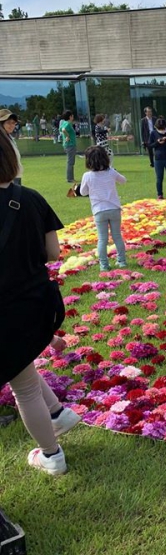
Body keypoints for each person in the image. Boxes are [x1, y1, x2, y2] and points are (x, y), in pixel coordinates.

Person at [0, 135, 81, 475]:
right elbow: (53, 253)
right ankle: (59, 414)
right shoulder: (29, 198)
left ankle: (51, 455)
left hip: (5, 311)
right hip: (36, 305)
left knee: (24, 387)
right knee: (23, 371)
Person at [79, 146, 127, 271]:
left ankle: (104, 265)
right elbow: (123, 181)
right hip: (114, 208)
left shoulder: (87, 176)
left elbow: (83, 192)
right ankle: (122, 261)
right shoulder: (111, 172)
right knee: (117, 236)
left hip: (99, 210)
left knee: (102, 239)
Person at [149, 117, 166, 199]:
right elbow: (150, 145)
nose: (162, 130)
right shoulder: (153, 133)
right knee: (159, 178)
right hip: (158, 159)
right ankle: (160, 194)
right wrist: (157, 142)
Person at [0, 109, 23, 185]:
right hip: (6, 179)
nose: (12, 125)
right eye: (8, 123)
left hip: (15, 176)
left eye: (13, 123)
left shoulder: (9, 138)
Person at [59, 110, 77, 184]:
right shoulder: (68, 124)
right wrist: (67, 136)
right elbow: (63, 130)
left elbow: (61, 129)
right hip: (70, 145)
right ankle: (70, 178)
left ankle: (70, 177)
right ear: (70, 117)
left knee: (70, 162)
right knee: (70, 162)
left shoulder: (63, 123)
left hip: (67, 145)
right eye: (72, 116)